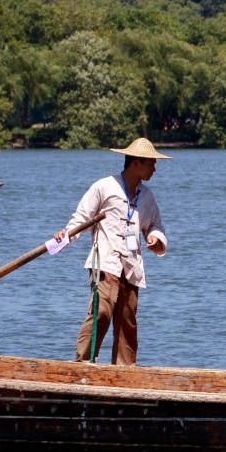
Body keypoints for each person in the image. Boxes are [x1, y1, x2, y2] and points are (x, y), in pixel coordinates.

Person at [54, 137, 169, 365]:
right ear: (135, 163)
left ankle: (124, 372)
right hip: (105, 262)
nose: (155, 168)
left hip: (131, 266)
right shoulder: (104, 187)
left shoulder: (147, 197)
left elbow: (155, 224)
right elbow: (82, 217)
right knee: (101, 312)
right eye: (151, 163)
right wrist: (65, 235)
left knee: (127, 321)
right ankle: (84, 362)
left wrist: (155, 238)